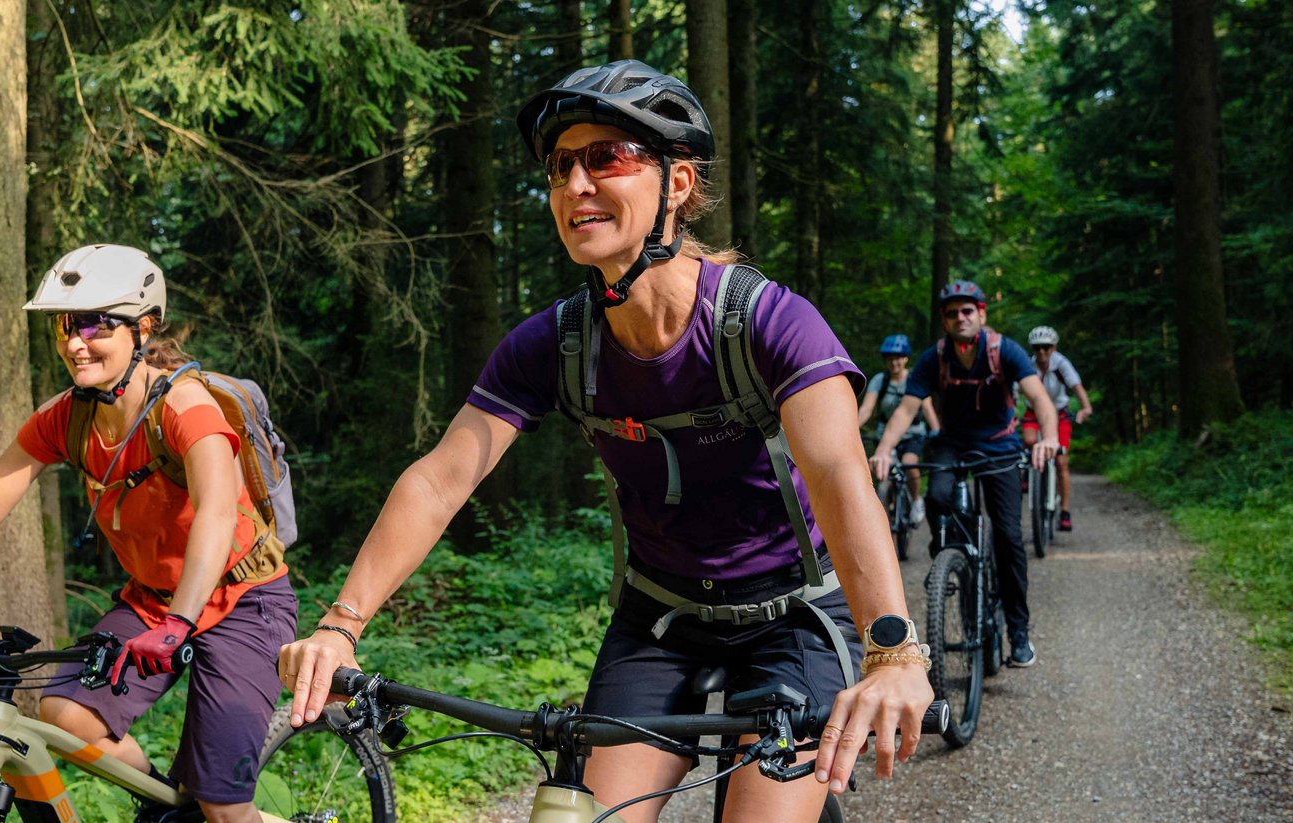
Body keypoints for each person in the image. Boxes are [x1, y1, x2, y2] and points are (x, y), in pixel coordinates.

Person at [276, 60, 931, 821]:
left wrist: (891, 650)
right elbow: (438, 480)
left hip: (794, 614)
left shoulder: (768, 322)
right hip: (659, 619)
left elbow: (838, 474)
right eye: (561, 166)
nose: (576, 184)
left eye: (607, 157)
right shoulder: (555, 344)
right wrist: (339, 625)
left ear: (678, 182)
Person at [0, 245, 295, 823]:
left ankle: (209, 808)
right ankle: (166, 809)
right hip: (152, 601)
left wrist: (179, 623)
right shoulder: (66, 416)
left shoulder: (188, 408)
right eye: (66, 325)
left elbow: (215, 513)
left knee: (222, 801)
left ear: (143, 328)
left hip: (243, 599)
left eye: (95, 324)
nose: (74, 342)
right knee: (66, 714)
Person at [871, 281, 1058, 668]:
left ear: (982, 314)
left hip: (1000, 446)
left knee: (1008, 535)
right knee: (938, 496)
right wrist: (885, 450)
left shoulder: (1004, 351)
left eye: (968, 311)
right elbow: (907, 409)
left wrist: (1049, 439)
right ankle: (953, 556)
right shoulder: (934, 357)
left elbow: (1039, 398)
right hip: (952, 444)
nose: (961, 318)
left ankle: (1018, 632)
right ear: (944, 319)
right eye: (953, 312)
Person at [857, 334, 940, 529]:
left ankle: (916, 500)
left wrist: (936, 430)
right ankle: (881, 513)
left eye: (898, 357)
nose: (894, 362)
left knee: (909, 463)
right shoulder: (880, 380)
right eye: (890, 358)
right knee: (880, 472)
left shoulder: (914, 378)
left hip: (913, 435)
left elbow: (927, 408)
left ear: (906, 359)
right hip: (885, 435)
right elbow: (867, 409)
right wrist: (852, 428)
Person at [1020, 326, 1092, 531]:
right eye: (1037, 348)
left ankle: (1065, 511)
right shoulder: (1027, 364)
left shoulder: (1061, 364)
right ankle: (1028, 473)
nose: (1042, 352)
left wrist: (1086, 407)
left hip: (1059, 413)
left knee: (1061, 461)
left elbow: (1076, 386)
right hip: (1033, 412)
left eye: (1046, 347)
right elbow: (1014, 389)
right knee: (1029, 440)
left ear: (1053, 347)